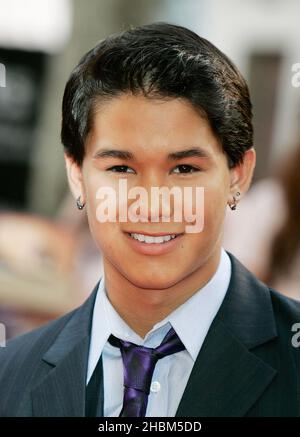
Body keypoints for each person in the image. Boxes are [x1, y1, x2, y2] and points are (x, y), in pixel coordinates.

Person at [0, 22, 299, 418]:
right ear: (77, 177)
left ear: (237, 175)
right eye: (122, 169)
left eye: (184, 169)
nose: (153, 204)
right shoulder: (10, 374)